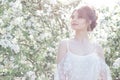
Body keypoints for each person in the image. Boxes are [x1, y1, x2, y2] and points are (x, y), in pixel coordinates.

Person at [54, 5, 112, 80]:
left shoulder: (97, 48)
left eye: (80, 17)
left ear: (89, 21)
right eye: (73, 17)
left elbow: (104, 77)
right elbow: (60, 76)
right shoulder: (65, 45)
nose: (74, 20)